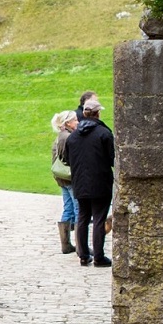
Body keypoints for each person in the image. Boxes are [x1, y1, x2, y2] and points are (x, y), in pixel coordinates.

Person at [65, 94, 115, 268]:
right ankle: (99, 256)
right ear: (97, 114)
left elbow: (67, 159)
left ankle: (84, 255)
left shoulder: (73, 137)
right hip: (100, 182)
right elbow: (112, 159)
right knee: (99, 219)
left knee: (83, 218)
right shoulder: (104, 134)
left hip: (80, 182)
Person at [50, 110, 78, 255]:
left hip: (62, 179)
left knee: (68, 208)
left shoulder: (60, 136)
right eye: (75, 120)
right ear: (67, 123)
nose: (77, 122)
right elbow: (68, 158)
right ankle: (81, 245)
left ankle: (66, 243)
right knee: (78, 209)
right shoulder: (67, 137)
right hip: (69, 177)